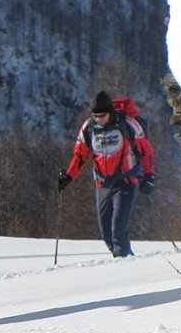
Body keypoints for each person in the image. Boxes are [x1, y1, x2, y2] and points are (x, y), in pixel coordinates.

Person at [58, 90, 155, 257]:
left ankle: (123, 267)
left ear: (110, 112)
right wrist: (68, 176)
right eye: (96, 115)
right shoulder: (89, 127)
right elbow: (80, 155)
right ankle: (125, 259)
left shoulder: (128, 124)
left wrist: (149, 176)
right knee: (106, 234)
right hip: (102, 184)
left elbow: (146, 151)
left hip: (126, 181)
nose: (99, 119)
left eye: (102, 115)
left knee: (118, 229)